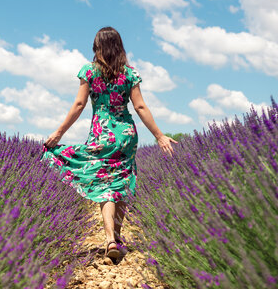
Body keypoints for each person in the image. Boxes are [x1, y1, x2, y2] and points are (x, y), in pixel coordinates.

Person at [42, 26, 177, 260]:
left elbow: (79, 105)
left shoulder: (89, 72)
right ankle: (117, 237)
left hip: (101, 133)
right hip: (125, 134)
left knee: (105, 186)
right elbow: (140, 107)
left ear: (98, 47)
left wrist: (59, 133)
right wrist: (159, 135)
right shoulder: (129, 73)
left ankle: (110, 240)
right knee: (121, 184)